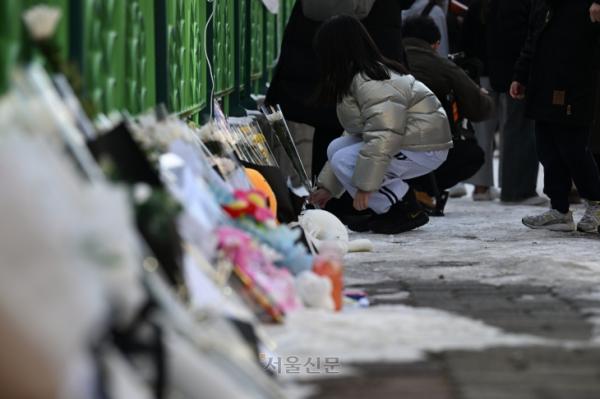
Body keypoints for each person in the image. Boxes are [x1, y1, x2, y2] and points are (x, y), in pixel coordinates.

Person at [308, 15, 453, 234]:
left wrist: (367, 187)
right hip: (412, 141)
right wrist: (328, 187)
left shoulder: (370, 81)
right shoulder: (359, 77)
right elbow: (358, 132)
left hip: (426, 146)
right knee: (336, 149)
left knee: (344, 158)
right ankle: (389, 208)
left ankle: (404, 209)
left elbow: (384, 134)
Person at [266, 0, 412, 182]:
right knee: (362, 128)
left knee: (331, 127)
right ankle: (355, 199)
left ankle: (331, 197)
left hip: (332, 54)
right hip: (362, 50)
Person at [513, 0, 600, 233]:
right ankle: (559, 209)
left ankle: (596, 204)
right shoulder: (543, 4)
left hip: (576, 85)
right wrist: (520, 75)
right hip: (543, 83)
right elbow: (532, 40)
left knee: (573, 148)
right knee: (547, 149)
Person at [401, 16, 493, 204]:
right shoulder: (444, 67)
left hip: (387, 145)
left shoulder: (386, 62)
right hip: (431, 149)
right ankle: (423, 189)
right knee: (472, 155)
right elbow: (480, 110)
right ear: (435, 44)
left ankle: (411, 189)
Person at [487, 0, 547, 205]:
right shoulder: (519, 6)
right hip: (517, 74)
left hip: (506, 72)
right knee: (521, 131)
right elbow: (523, 38)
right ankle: (518, 190)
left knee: (516, 129)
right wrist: (522, 72)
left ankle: (515, 188)